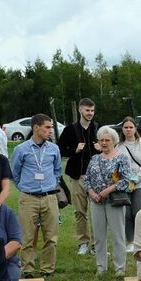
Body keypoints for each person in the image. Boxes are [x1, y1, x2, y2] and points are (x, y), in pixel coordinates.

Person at [8, 114, 63, 277]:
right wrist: (25, 188)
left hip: (49, 197)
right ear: (36, 127)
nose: (50, 130)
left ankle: (47, 269)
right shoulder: (21, 149)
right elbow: (14, 173)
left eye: (51, 127)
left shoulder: (54, 149)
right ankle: (28, 269)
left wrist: (50, 184)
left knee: (51, 236)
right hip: (28, 198)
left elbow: (57, 170)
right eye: (47, 127)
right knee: (27, 236)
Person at [81, 125, 132, 275]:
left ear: (114, 141)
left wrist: (107, 191)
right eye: (101, 140)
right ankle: (101, 267)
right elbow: (87, 179)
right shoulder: (94, 158)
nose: (104, 143)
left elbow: (126, 180)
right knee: (99, 237)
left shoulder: (121, 158)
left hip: (114, 201)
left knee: (118, 236)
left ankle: (120, 268)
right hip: (96, 202)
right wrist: (91, 193)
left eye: (107, 140)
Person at [57, 98, 97, 255]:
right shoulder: (70, 130)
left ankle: (96, 244)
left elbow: (108, 147)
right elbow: (60, 149)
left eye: (92, 111)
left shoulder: (98, 128)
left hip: (96, 178)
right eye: (87, 110)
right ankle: (83, 242)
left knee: (97, 213)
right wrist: (74, 150)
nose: (90, 113)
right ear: (80, 110)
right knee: (80, 211)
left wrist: (100, 148)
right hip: (77, 176)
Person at [117, 116, 141, 244]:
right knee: (126, 214)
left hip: (140, 184)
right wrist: (124, 181)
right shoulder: (119, 146)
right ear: (122, 129)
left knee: (137, 212)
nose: (128, 129)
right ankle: (130, 241)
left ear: (135, 128)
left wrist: (134, 180)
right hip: (124, 184)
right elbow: (117, 165)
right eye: (126, 127)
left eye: (131, 127)